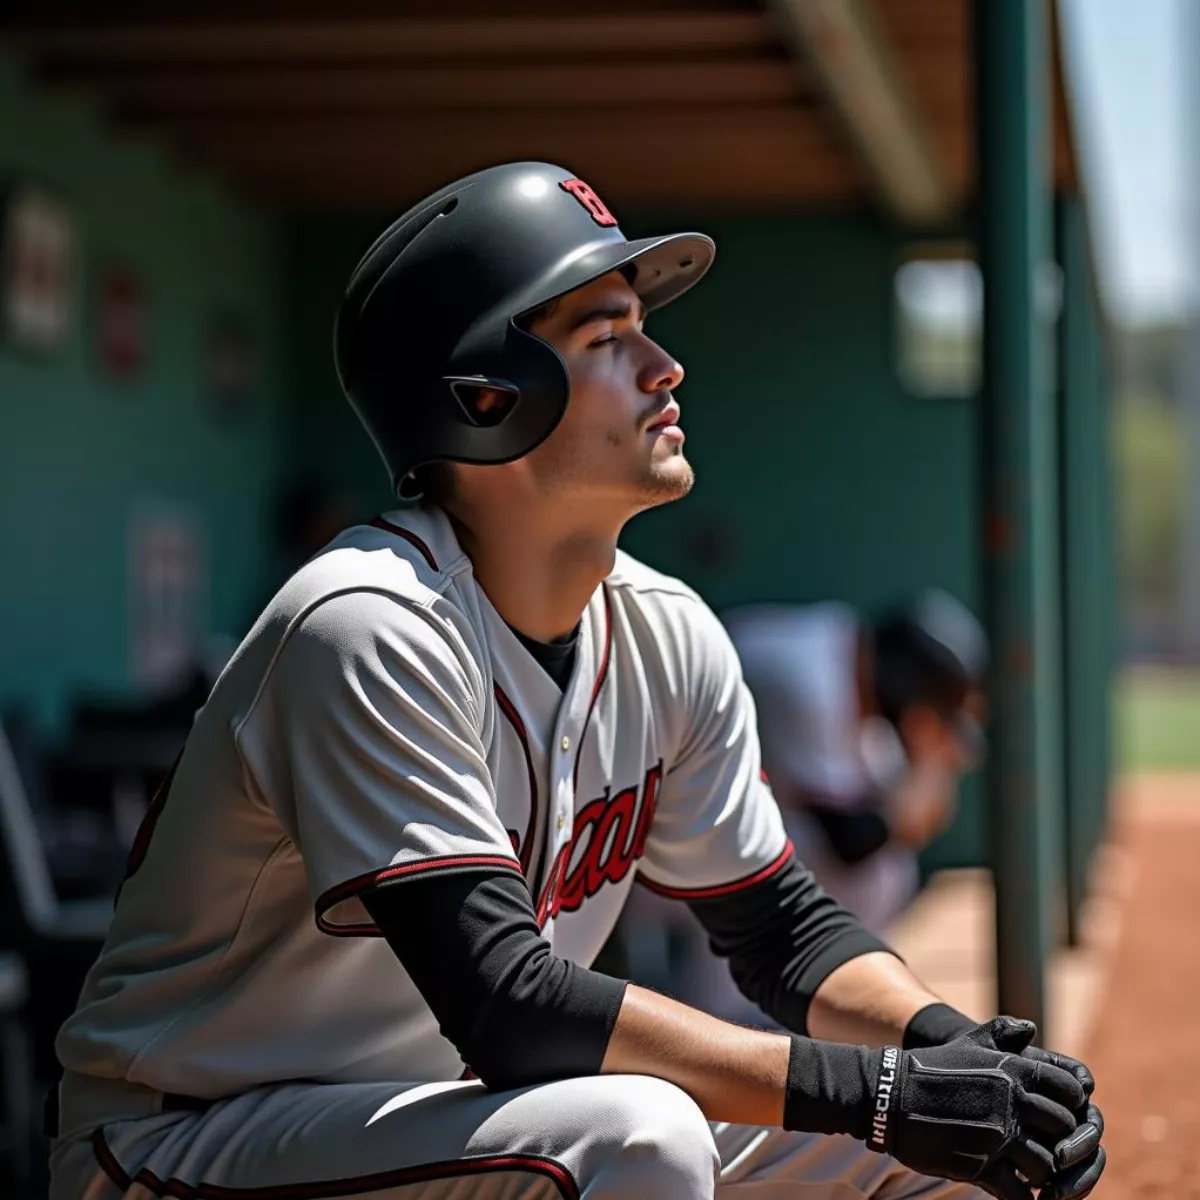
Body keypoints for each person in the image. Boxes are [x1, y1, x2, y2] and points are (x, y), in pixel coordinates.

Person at [48, 162, 1104, 1200]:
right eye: (608, 337)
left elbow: (782, 929)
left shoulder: (666, 634)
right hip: (186, 1141)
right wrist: (872, 1090)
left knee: (940, 1150)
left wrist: (954, 1053)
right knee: (639, 1134)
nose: (665, 365)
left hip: (442, 1119)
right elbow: (510, 1002)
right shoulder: (367, 626)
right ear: (485, 395)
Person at [724, 591, 989, 936]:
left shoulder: (851, 660)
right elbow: (846, 844)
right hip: (651, 833)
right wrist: (910, 801)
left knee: (886, 867)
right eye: (932, 712)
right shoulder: (811, 684)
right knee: (859, 872)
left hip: (695, 831)